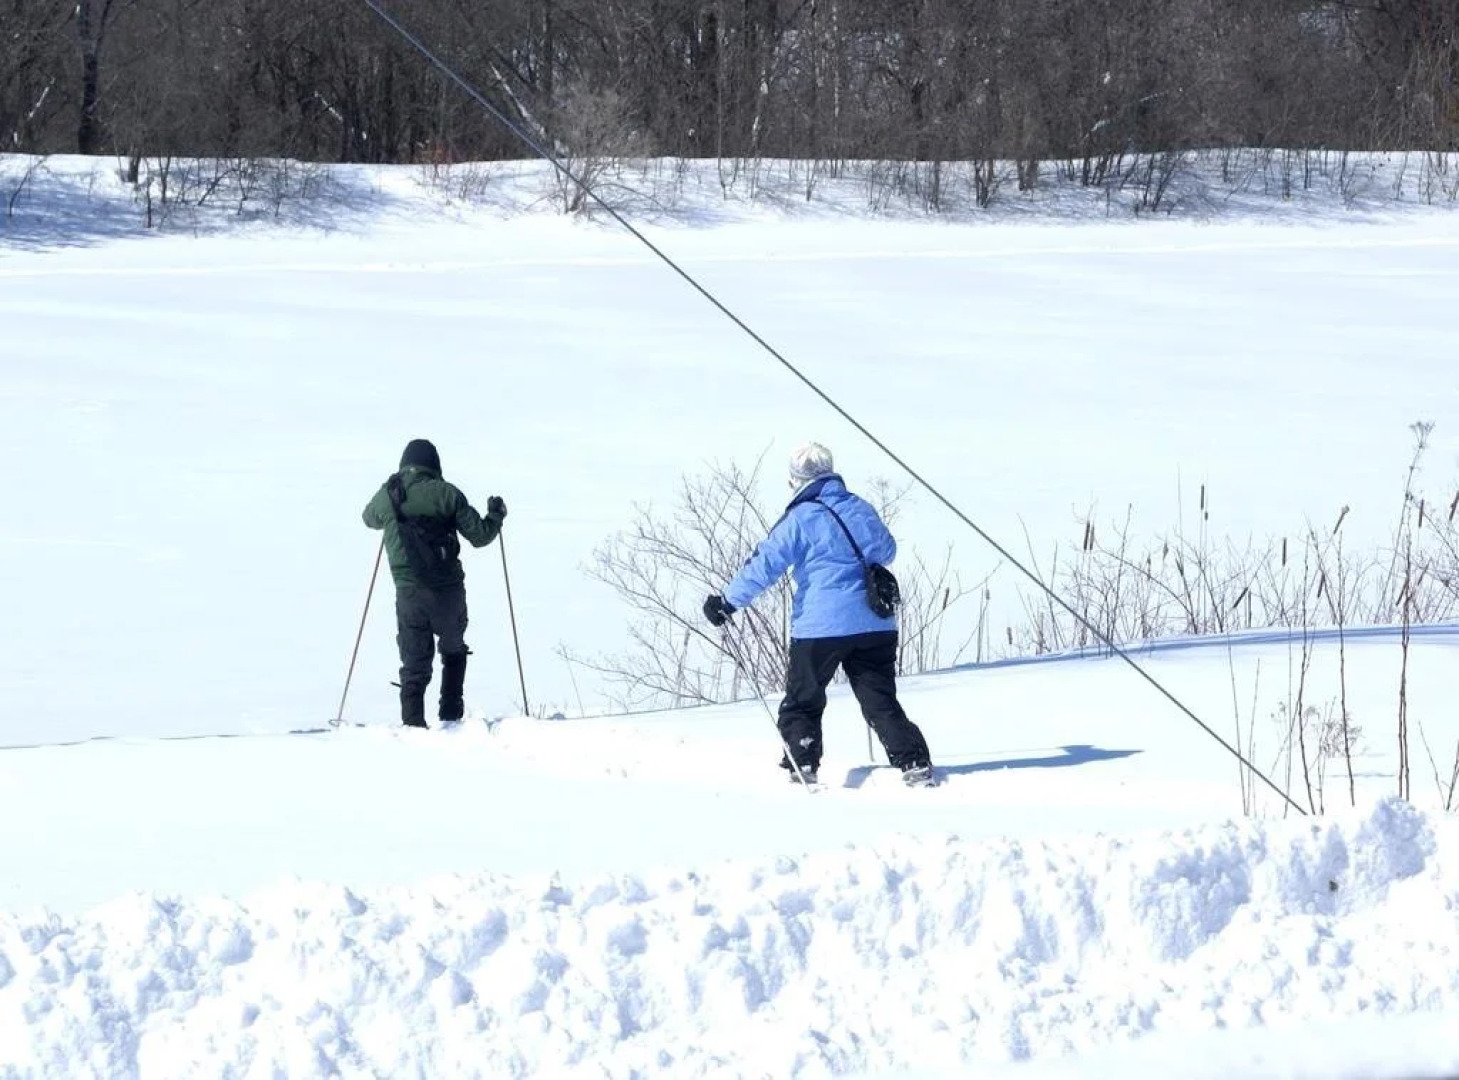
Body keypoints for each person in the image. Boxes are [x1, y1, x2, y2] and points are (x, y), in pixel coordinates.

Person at [703, 442, 934, 787]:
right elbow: (887, 551)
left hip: (820, 627)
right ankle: (913, 761)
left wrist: (727, 602)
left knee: (803, 700)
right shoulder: (860, 507)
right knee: (879, 699)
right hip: (874, 623)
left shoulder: (799, 519)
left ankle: (804, 763)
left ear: (796, 479)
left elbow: (765, 565)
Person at [363, 438, 506, 728]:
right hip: (448, 592)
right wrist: (495, 515)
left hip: (409, 591)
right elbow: (480, 536)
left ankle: (413, 725)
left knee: (414, 662)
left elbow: (368, 519)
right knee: (453, 648)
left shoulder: (389, 495)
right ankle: (451, 716)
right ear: (435, 466)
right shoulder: (447, 493)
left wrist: (390, 494)